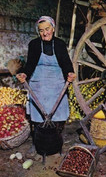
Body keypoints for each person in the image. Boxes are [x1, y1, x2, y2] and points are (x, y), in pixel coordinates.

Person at [16, 16, 76, 158]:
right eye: (41, 30)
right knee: (38, 117)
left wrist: (70, 73)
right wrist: (24, 74)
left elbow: (66, 63)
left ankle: (57, 142)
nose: (44, 33)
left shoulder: (60, 44)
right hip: (39, 84)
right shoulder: (34, 44)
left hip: (56, 85)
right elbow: (30, 64)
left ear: (53, 29)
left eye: (47, 29)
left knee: (58, 117)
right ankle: (36, 143)